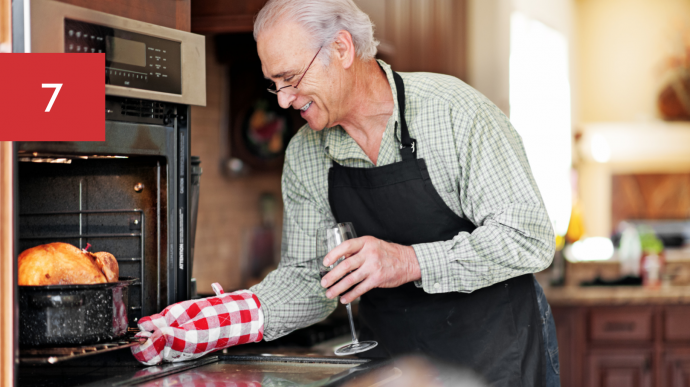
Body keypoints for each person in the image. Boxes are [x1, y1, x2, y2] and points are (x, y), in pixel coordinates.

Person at [132, 1, 560, 386]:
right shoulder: (306, 153)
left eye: (290, 78)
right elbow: (310, 280)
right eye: (273, 84)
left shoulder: (454, 112)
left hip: (496, 358)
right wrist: (221, 320)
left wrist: (406, 261)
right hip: (392, 370)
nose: (282, 101)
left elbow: (529, 237)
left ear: (341, 49)